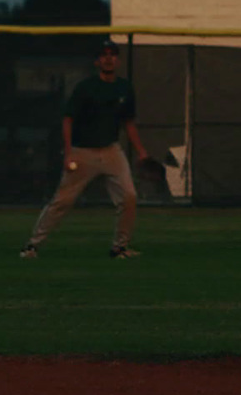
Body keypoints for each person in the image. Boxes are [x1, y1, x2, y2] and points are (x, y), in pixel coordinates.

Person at [19, 38, 149, 260]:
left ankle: (119, 248)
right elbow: (68, 119)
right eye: (104, 54)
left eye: (112, 54)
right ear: (97, 61)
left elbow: (128, 122)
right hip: (83, 152)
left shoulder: (125, 88)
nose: (108, 58)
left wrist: (141, 151)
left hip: (111, 151)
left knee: (129, 196)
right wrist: (68, 152)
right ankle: (32, 245)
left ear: (117, 60)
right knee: (62, 201)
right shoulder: (86, 88)